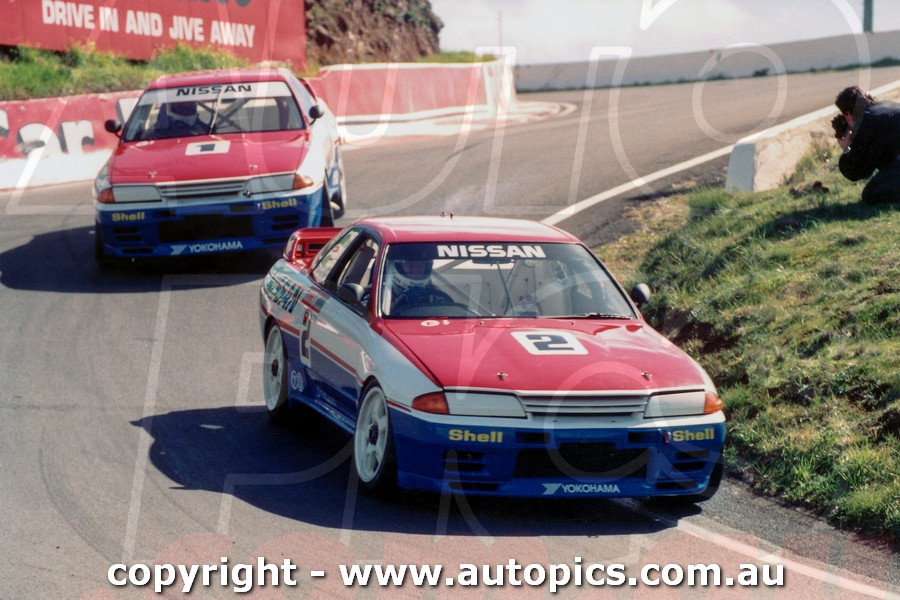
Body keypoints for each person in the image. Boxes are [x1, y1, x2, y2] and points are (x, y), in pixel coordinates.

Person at [833, 86, 900, 204]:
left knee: (870, 194)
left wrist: (846, 148)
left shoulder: (866, 122)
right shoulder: (887, 104)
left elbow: (856, 171)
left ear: (848, 114)